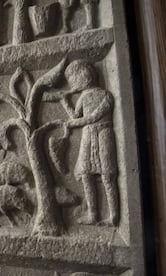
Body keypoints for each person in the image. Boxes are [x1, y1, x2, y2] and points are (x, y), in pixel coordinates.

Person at [60, 60, 119, 226]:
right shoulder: (83, 97)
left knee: (107, 175)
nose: (72, 83)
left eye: (73, 78)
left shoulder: (106, 95)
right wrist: (65, 101)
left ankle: (113, 215)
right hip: (88, 135)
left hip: (103, 133)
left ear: (84, 76)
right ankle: (93, 213)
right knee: (86, 174)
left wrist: (73, 124)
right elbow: (74, 116)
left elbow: (93, 118)